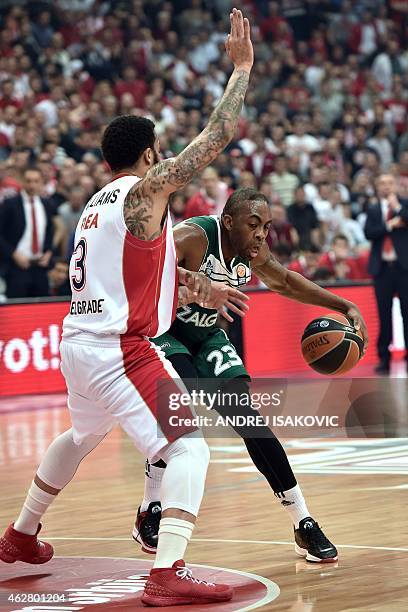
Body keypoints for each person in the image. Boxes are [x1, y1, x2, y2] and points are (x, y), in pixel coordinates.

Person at [0, 8, 254, 607]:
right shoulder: (145, 192)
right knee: (188, 445)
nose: (164, 159)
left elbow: (148, 269)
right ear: (148, 156)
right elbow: (215, 138)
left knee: (81, 435)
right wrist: (240, 71)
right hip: (121, 349)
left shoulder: (98, 204)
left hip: (78, 346)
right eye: (159, 153)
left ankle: (21, 534)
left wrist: (200, 288)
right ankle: (168, 571)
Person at [133, 187, 368, 564]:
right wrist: (194, 287)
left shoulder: (250, 254)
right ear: (228, 223)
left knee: (250, 421)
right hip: (165, 333)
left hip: (206, 335)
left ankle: (302, 522)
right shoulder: (194, 237)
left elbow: (286, 282)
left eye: (267, 226)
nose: (261, 234)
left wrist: (344, 304)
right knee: (180, 409)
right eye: (253, 225)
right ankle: (150, 506)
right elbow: (145, 269)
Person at [364, 174, 408, 374]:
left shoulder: (404, 204)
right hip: (382, 269)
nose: (386, 187)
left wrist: (397, 207)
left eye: (390, 183)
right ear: (376, 187)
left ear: (396, 185)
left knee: (407, 313)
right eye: (382, 183)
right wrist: (389, 225)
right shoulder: (373, 209)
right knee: (384, 314)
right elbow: (369, 233)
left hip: (403, 268)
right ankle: (384, 357)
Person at [0, 167, 54, 298]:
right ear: (22, 181)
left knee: (43, 308)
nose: (32, 185)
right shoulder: (10, 204)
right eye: (28, 181)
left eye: (36, 181)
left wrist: (48, 252)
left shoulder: (46, 204)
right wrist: (13, 253)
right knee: (18, 310)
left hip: (40, 266)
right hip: (17, 267)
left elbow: (49, 231)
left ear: (41, 182)